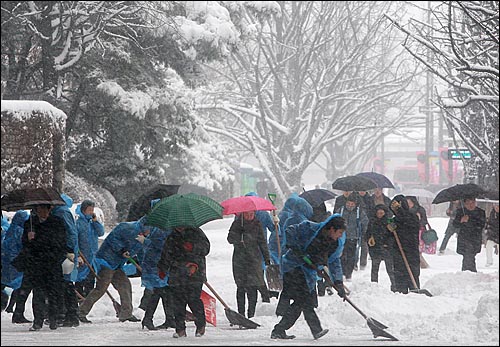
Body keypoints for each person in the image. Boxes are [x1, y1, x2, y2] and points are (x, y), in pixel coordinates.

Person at [270, 215, 346, 340]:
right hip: (294, 267)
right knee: (304, 301)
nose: (340, 236)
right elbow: (290, 230)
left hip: (308, 273)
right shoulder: (311, 229)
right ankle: (314, 329)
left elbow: (335, 263)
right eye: (339, 232)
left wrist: (339, 283)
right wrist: (295, 247)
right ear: (332, 229)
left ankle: (280, 329)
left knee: (304, 302)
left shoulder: (334, 244)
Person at [78, 218, 149, 323]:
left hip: (117, 264)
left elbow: (141, 253)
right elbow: (114, 239)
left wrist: (144, 266)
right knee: (101, 288)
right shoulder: (128, 227)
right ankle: (81, 312)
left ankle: (126, 314)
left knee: (125, 285)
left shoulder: (142, 237)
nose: (150, 232)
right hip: (106, 260)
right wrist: (121, 249)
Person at [19, 204, 67, 331]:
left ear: (49, 209)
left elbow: (61, 242)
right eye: (39, 210)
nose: (42, 213)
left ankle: (53, 318)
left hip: (52, 264)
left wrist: (56, 256)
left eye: (44, 210)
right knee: (38, 293)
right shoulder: (29, 224)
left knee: (53, 293)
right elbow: (24, 244)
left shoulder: (57, 222)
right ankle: (37, 321)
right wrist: (29, 239)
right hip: (36, 264)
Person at [157, 225, 210, 338]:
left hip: (195, 272)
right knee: (178, 302)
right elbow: (166, 254)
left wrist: (193, 248)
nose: (179, 227)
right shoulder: (172, 237)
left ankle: (200, 325)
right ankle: (180, 328)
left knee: (193, 300)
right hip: (177, 272)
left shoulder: (196, 233)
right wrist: (162, 268)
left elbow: (205, 249)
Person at [227, 210, 271, 319]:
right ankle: (241, 314)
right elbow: (229, 239)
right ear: (242, 213)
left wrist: (267, 258)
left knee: (253, 287)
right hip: (239, 259)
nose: (249, 216)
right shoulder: (237, 224)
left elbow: (262, 242)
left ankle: (251, 314)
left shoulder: (257, 224)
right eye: (247, 214)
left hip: (254, 259)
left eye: (252, 214)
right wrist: (239, 236)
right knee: (240, 287)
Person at [275, 194, 313, 315]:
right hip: (295, 257)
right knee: (299, 286)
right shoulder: (299, 220)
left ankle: (281, 310)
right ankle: (308, 306)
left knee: (288, 286)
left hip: (288, 255)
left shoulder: (290, 218)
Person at [50, 193, 81, 327]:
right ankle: (67, 313)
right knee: (63, 283)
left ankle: (69, 314)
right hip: (61, 251)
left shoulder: (61, 213)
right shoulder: (60, 212)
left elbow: (71, 232)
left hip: (63, 252)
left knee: (64, 283)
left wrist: (70, 250)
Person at [387, 195, 420, 294]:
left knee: (412, 274)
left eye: (397, 208)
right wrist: (389, 231)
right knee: (400, 275)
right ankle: (401, 293)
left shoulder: (412, 216)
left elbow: (409, 224)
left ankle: (414, 292)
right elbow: (388, 237)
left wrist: (401, 211)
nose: (396, 211)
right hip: (398, 252)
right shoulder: (393, 220)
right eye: (394, 209)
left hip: (411, 251)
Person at [1, 210, 30, 318]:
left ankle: (10, 306)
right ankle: (13, 308)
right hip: (18, 260)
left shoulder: (10, 229)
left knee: (11, 283)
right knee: (19, 284)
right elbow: (22, 245)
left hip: (8, 260)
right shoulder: (20, 231)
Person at [74, 200, 105, 298]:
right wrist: (78, 255)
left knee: (91, 280)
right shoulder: (78, 223)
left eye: (92, 210)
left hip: (92, 257)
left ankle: (87, 301)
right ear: (84, 210)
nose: (91, 212)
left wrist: (96, 222)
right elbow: (75, 240)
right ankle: (78, 299)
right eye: (89, 210)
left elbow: (101, 232)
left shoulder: (93, 222)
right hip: (83, 256)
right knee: (80, 279)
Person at [339, 195, 369, 281]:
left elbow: (365, 222)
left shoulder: (359, 212)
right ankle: (343, 272)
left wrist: (364, 233)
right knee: (342, 255)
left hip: (353, 237)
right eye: (348, 203)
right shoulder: (341, 211)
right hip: (341, 237)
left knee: (351, 256)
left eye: (352, 204)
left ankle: (349, 273)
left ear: (355, 204)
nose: (350, 205)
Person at [366, 204, 396, 290]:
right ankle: (374, 286)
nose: (379, 215)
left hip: (387, 249)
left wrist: (388, 244)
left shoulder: (389, 221)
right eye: (378, 213)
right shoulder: (372, 222)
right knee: (375, 269)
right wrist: (369, 239)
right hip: (375, 249)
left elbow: (393, 236)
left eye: (381, 213)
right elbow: (367, 233)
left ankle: (394, 285)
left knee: (390, 269)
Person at [452, 198, 486, 272]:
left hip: (475, 238)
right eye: (468, 203)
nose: (471, 205)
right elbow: (455, 224)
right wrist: (461, 220)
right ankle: (469, 272)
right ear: (464, 204)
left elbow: (481, 225)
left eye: (473, 203)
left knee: (470, 255)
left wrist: (469, 221)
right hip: (464, 237)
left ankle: (468, 272)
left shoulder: (480, 212)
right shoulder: (461, 211)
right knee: (467, 255)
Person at [406, 196, 435, 269]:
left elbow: (424, 220)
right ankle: (420, 264)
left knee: (417, 250)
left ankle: (423, 265)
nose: (408, 204)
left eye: (410, 202)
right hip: (409, 232)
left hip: (419, 232)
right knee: (413, 250)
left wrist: (417, 221)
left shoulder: (420, 210)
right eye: (407, 203)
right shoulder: (405, 210)